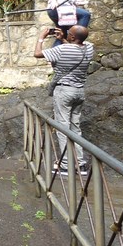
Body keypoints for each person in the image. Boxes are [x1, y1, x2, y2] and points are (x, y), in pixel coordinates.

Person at [33, 25, 94, 176]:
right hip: (79, 91)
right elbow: (75, 48)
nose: (66, 34)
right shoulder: (89, 48)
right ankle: (80, 164)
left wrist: (42, 37)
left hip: (64, 91)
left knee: (63, 127)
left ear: (72, 37)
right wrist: (63, 39)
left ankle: (66, 165)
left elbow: (37, 53)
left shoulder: (62, 50)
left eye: (69, 33)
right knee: (75, 127)